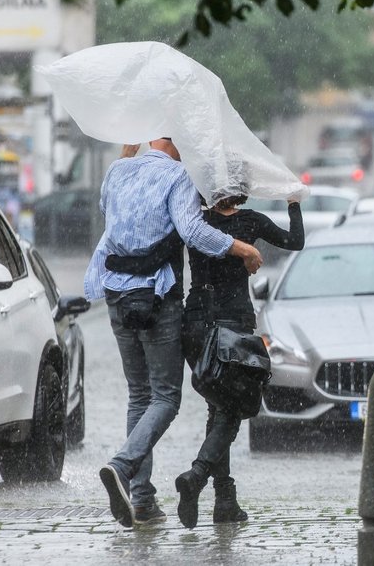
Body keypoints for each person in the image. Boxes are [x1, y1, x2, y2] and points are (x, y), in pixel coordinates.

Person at [84, 137, 262, 529]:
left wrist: (123, 162)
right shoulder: (178, 176)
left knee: (139, 394)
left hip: (115, 293)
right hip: (157, 298)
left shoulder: (117, 170)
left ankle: (143, 501)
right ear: (176, 140)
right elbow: (193, 231)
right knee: (165, 398)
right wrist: (241, 248)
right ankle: (122, 465)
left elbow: (107, 212)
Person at [109, 187, 304, 529]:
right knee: (232, 407)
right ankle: (198, 477)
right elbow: (295, 242)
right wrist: (293, 204)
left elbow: (156, 247)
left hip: (195, 324)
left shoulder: (194, 222)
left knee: (218, 404)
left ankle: (225, 499)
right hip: (234, 324)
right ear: (241, 190)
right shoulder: (250, 221)